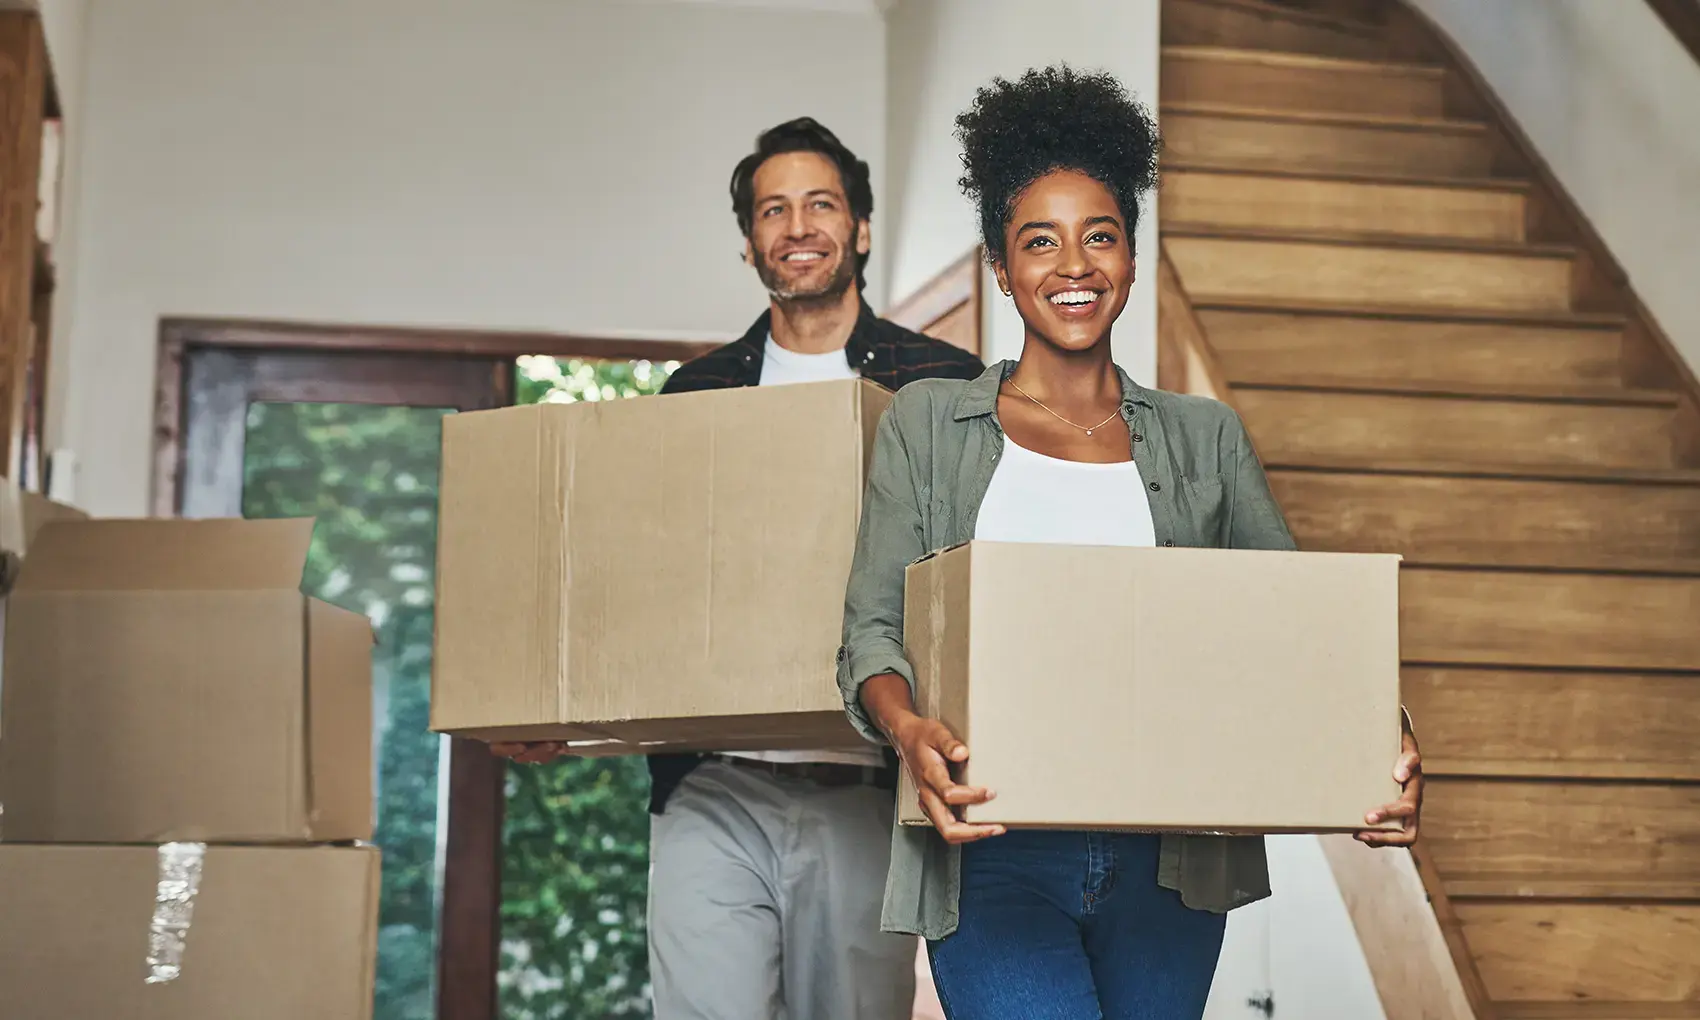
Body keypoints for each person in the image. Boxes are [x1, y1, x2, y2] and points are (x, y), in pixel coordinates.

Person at [838, 66, 1425, 1020]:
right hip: (990, 848)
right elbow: (871, 628)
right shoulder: (927, 424)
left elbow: (1300, 631)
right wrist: (908, 732)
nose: (1074, 265)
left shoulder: (1206, 438)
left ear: (1133, 257)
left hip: (1173, 858)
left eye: (1099, 236)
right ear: (999, 265)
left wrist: (1384, 742)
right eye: (1040, 241)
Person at [493, 116, 983, 1020]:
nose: (797, 227)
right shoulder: (696, 396)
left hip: (867, 785)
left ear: (861, 228)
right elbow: (637, 587)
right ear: (750, 241)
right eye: (773, 210)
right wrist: (553, 709)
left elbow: (979, 578)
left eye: (820, 205)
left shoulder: (945, 385)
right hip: (711, 787)